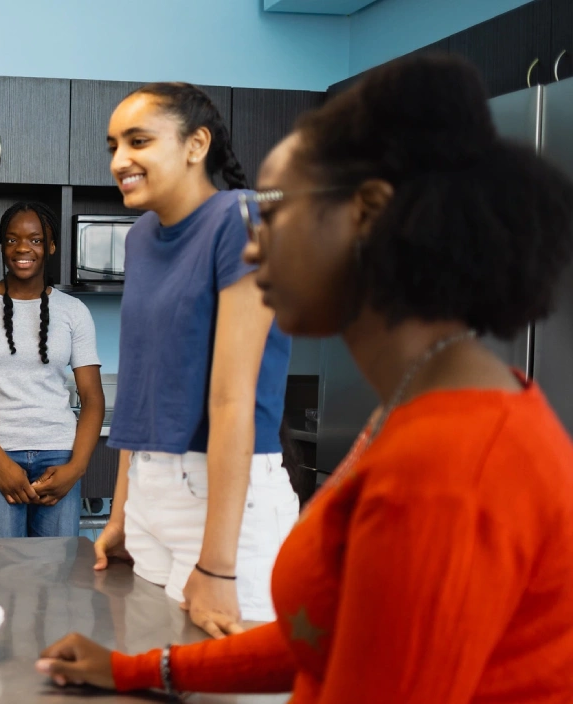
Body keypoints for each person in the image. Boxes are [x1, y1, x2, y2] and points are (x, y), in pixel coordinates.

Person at [38, 54, 573, 702]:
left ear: (365, 214)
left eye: (276, 207)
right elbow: (325, 638)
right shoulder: (417, 405)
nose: (254, 242)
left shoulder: (451, 469)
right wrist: (135, 671)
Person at [93, 82, 297, 636]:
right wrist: (120, 513)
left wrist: (219, 565)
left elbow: (234, 399)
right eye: (113, 145)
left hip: (225, 502)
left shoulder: (244, 218)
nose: (120, 160)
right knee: (154, 671)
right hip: (150, 500)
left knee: (231, 688)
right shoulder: (139, 239)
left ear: (195, 144)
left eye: (138, 141)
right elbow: (142, 388)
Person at [0, 202, 105, 538]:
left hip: (59, 460)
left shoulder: (74, 311)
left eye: (35, 240)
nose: (22, 248)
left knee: (55, 577)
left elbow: (93, 398)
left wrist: (75, 468)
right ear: (2, 245)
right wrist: (0, 465)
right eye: (12, 239)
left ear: (50, 246)